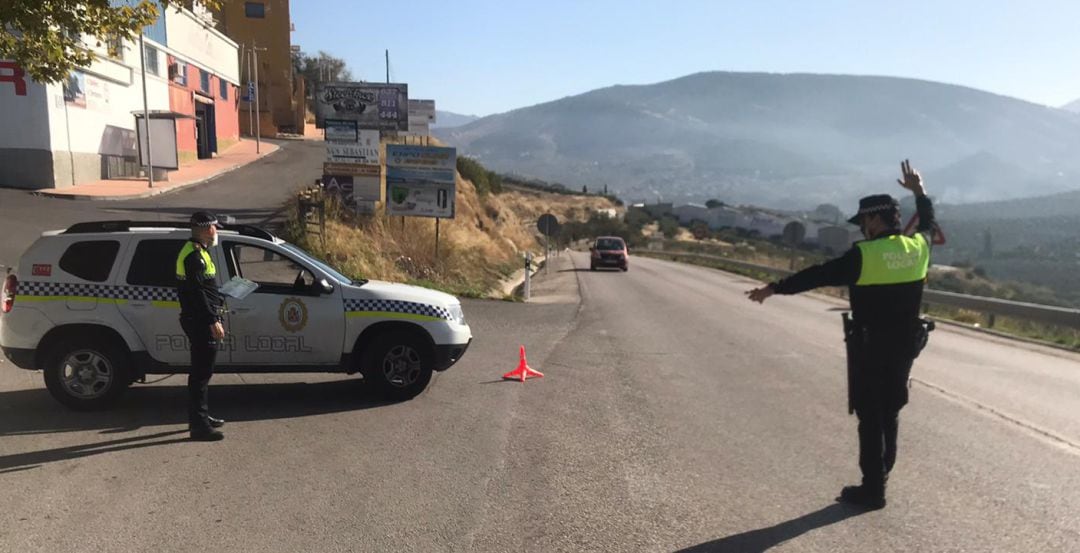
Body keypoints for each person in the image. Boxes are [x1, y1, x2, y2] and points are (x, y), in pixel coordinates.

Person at [746, 160, 935, 510]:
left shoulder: (865, 255)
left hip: (871, 345)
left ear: (874, 220)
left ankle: (872, 488)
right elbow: (927, 224)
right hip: (905, 346)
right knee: (890, 412)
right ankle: (882, 477)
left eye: (863, 221)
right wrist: (920, 192)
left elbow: (818, 275)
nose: (862, 228)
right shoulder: (918, 249)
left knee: (870, 415)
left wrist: (775, 288)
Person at [176, 211, 227, 442]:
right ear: (207, 229)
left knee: (203, 373)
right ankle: (199, 426)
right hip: (199, 321)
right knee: (200, 374)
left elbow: (205, 288)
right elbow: (197, 294)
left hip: (200, 318)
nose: (217, 230)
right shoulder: (193, 256)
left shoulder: (200, 252)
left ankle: (203, 417)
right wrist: (212, 320)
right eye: (215, 227)